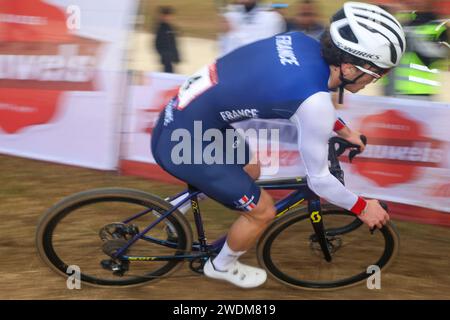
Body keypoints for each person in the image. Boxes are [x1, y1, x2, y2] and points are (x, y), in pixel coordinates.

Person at [151, 2, 405, 288]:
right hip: (186, 138)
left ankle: (173, 208)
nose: (377, 79)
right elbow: (320, 181)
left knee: (250, 169)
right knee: (263, 212)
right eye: (377, 71)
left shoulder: (299, 41)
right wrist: (362, 207)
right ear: (348, 67)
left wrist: (343, 130)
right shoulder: (316, 102)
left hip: (185, 118)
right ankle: (221, 265)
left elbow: (302, 94)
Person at [218, 0, 286, 56]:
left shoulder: (274, 19)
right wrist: (229, 36)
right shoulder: (229, 18)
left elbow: (277, 50)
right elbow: (225, 53)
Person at [154, 6, 180, 73]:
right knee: (168, 73)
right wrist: (164, 54)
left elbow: (173, 43)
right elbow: (157, 43)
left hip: (171, 58)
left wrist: (176, 56)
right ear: (162, 16)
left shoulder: (169, 27)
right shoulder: (160, 28)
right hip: (166, 58)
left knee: (171, 73)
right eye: (166, 15)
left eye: (169, 16)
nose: (168, 17)